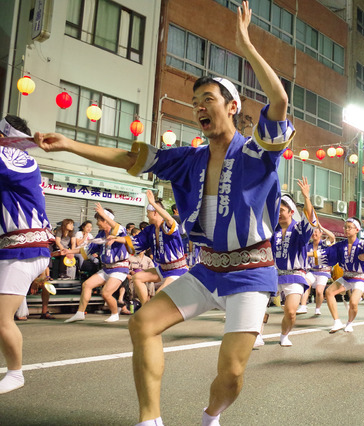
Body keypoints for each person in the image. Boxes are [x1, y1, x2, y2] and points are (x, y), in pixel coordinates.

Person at [35, 2, 293, 424]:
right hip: (206, 269)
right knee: (142, 325)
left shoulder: (258, 151)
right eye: (195, 103)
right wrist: (69, 145)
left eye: (208, 99)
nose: (199, 108)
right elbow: (128, 157)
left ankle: (211, 415)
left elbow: (279, 99)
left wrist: (245, 43)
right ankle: (150, 420)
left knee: (230, 373)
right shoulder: (187, 159)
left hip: (251, 270)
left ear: (232, 106)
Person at [0, 115, 54, 394]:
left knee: (1, 318)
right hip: (13, 249)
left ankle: (15, 373)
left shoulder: (18, 157)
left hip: (25, 249)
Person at [109, 190, 188, 305]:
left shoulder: (167, 225)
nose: (146, 215)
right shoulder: (149, 230)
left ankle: (153, 313)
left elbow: (170, 219)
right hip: (163, 268)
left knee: (158, 297)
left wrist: (153, 202)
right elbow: (134, 240)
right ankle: (146, 306)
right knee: (137, 278)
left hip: (178, 270)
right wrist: (117, 239)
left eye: (148, 212)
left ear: (155, 212)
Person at [59, 203, 129, 323]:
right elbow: (86, 250)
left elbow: (117, 227)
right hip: (106, 268)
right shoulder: (101, 235)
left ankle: (115, 313)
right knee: (87, 285)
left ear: (106, 220)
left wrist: (103, 214)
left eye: (99, 220)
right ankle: (80, 313)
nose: (97, 223)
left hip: (119, 268)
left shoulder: (119, 231)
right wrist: (69, 251)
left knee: (106, 293)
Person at [270, 178, 317, 346]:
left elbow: (310, 220)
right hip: (273, 275)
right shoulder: (271, 230)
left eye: (283, 210)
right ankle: (257, 334)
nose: (279, 213)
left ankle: (284, 335)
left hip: (295, 275)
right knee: (257, 306)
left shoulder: (299, 229)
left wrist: (306, 198)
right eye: (278, 210)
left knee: (290, 312)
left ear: (291, 212)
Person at [320, 214, 364, 333]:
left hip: (360, 277)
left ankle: (349, 323)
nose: (346, 229)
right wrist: (306, 255)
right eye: (345, 227)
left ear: (357, 230)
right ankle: (337, 322)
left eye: (349, 227)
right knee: (329, 292)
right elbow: (326, 253)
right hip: (346, 277)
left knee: (353, 302)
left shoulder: (362, 244)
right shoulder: (341, 245)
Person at [301, 223, 336, 316]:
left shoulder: (324, 243)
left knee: (319, 291)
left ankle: (317, 308)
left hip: (323, 271)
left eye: (316, 232)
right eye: (312, 233)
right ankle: (303, 306)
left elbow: (332, 237)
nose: (314, 234)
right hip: (312, 271)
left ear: (320, 234)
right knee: (306, 284)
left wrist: (321, 227)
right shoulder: (308, 245)